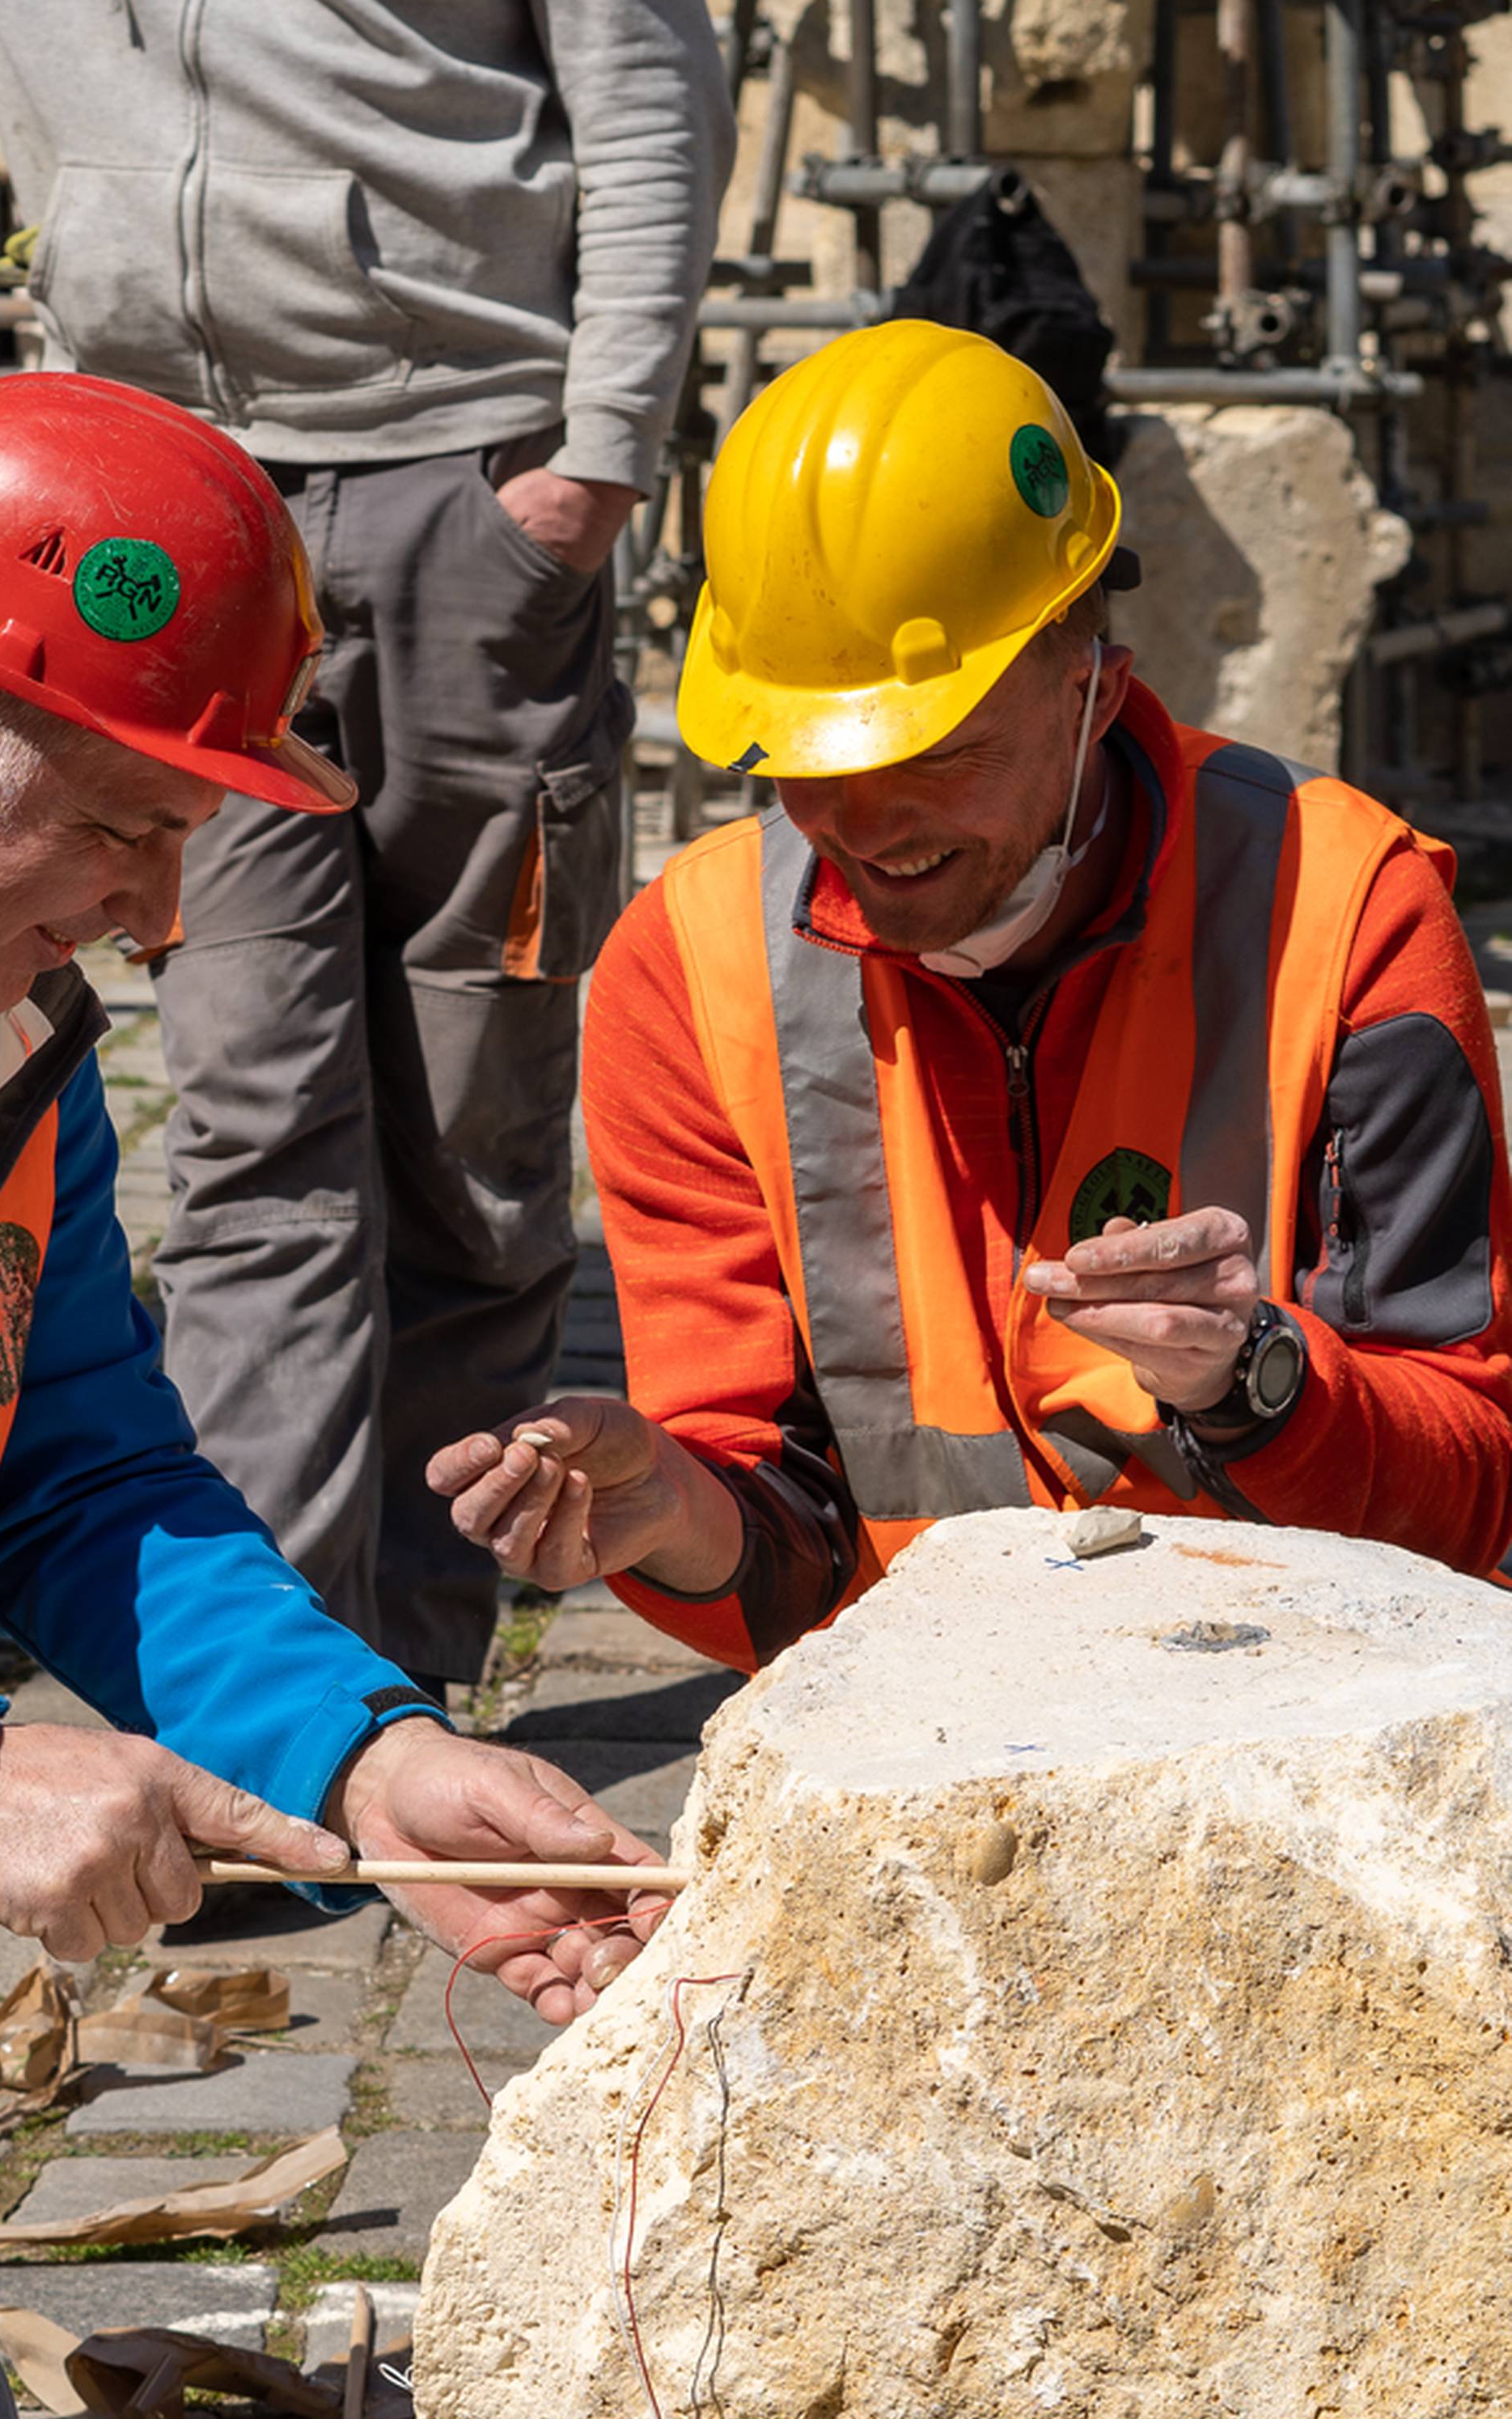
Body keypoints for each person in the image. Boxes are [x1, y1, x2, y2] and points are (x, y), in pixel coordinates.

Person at [0, 371, 663, 2419]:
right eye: (125, 828)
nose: (165, 921)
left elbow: (81, 1479)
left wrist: (372, 1764)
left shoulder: (6, 1061)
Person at [0, 0, 735, 1690]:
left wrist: (589, 473)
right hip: (143, 538)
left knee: (468, 1130)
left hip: (462, 487)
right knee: (249, 1134)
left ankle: (423, 1656)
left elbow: (647, 99)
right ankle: (275, 1719)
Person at [428, 320, 1512, 1664]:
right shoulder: (693, 969)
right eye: (807, 753)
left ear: (1091, 685)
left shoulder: (1346, 911)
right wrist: (670, 1515)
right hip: (921, 1734)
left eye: (932, 750)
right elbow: (780, 1559)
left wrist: (1259, 1382)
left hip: (1300, 1714)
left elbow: (1464, 1504)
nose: (861, 821)